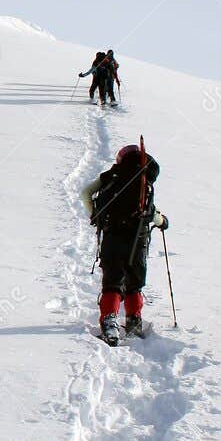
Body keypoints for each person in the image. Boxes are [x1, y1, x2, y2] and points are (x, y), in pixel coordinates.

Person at [81, 142, 169, 344]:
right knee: (134, 281)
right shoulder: (145, 182)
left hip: (113, 235)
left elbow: (85, 194)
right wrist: (163, 222)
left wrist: (95, 215)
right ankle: (133, 319)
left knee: (113, 280)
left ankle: (109, 321)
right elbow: (152, 212)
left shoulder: (112, 176)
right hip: (138, 238)